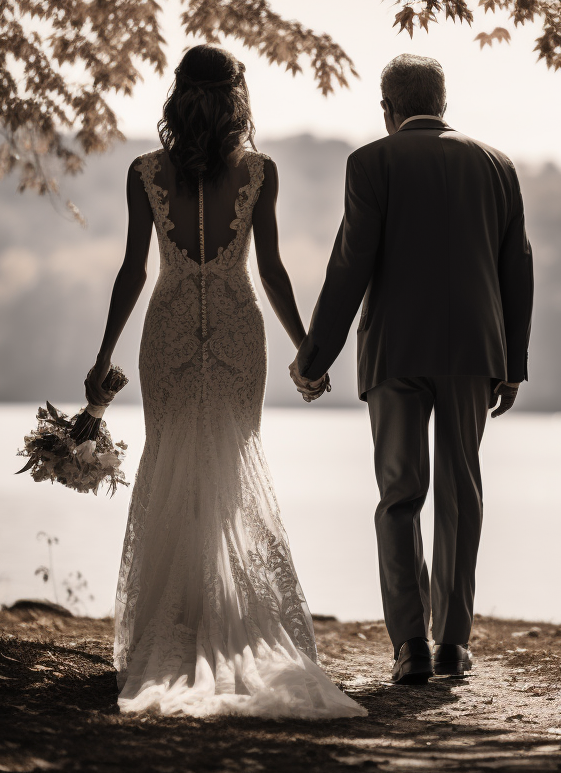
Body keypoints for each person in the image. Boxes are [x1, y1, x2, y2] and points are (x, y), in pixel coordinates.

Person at [85, 44, 364, 718]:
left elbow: (134, 272)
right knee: (228, 468)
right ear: (237, 98)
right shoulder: (259, 173)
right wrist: (307, 349)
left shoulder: (144, 172)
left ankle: (174, 626)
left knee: (175, 464)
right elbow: (270, 270)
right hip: (240, 332)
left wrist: (103, 356)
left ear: (179, 96)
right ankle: (214, 618)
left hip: (170, 329)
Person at [291, 54, 534, 685]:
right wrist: (513, 365)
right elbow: (517, 270)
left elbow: (351, 266)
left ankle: (410, 648)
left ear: (386, 108)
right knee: (461, 495)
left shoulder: (370, 163)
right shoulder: (497, 165)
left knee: (400, 497)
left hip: (395, 351)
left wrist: (315, 358)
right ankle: (453, 644)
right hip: (474, 354)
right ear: (444, 102)